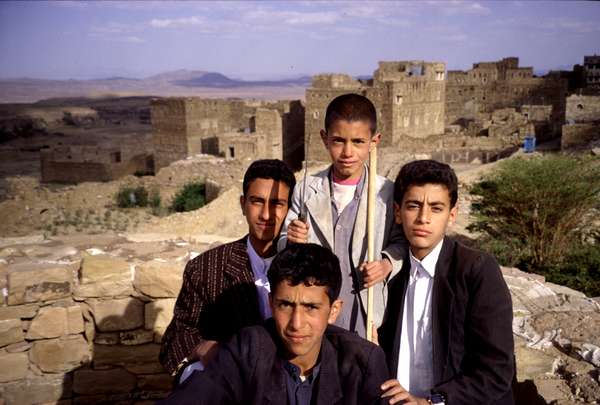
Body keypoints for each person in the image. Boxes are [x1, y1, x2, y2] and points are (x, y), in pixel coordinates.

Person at [158, 243, 391, 405]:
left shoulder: (364, 361)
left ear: (334, 311)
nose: (296, 324)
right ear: (270, 303)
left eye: (311, 307)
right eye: (285, 305)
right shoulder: (249, 349)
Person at [378, 159, 515, 405]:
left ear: (452, 215)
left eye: (436, 208)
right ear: (397, 212)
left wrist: (432, 402)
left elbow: (496, 370)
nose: (423, 218)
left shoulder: (476, 271)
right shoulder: (391, 274)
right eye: (413, 206)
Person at [279, 93, 406, 338]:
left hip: (365, 312)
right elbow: (284, 240)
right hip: (315, 313)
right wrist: (291, 240)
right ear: (324, 139)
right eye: (338, 141)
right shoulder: (306, 189)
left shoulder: (386, 193)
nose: (347, 151)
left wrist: (386, 264)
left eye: (358, 141)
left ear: (374, 141)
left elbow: (400, 241)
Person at [159, 159, 296, 383]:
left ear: (290, 209)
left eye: (277, 204)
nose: (266, 215)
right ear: (243, 205)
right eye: (257, 202)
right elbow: (177, 337)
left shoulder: (307, 269)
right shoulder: (206, 268)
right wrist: (204, 350)